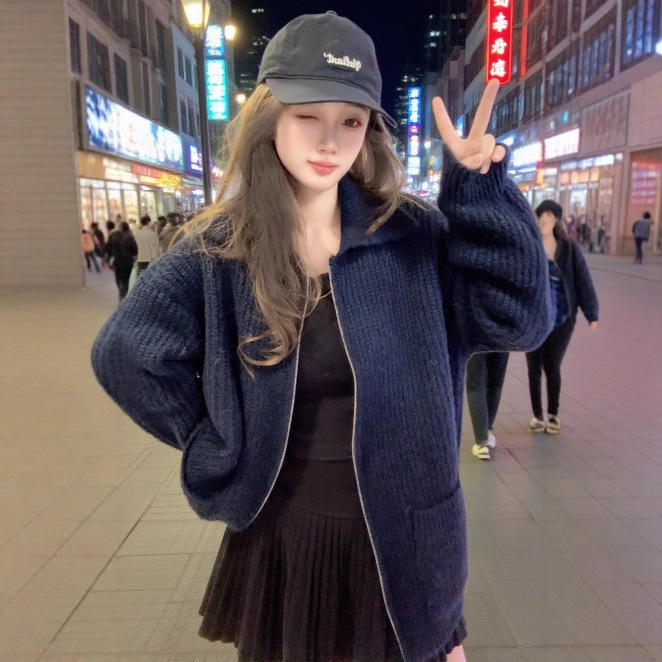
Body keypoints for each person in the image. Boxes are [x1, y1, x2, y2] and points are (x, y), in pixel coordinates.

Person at [92, 12, 552, 662]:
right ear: (270, 116)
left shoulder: (411, 235)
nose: (330, 140)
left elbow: (520, 320)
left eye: (351, 121)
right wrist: (215, 440)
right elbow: (125, 353)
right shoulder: (224, 248)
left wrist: (481, 190)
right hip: (287, 538)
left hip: (408, 542)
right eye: (308, 114)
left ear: (370, 131)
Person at [526, 200, 599, 435]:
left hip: (562, 318)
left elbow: (583, 279)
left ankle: (553, 414)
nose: (544, 219)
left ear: (556, 219)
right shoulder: (531, 245)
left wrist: (591, 313)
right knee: (534, 368)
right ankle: (538, 416)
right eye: (541, 215)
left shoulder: (569, 248)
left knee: (552, 365)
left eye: (549, 215)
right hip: (535, 320)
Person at [465, 352, 509, 460]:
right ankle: (487, 433)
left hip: (476, 344)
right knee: (495, 385)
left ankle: (481, 443)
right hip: (502, 343)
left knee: (476, 386)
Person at [105, 221, 137, 301]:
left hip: (118, 262)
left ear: (120, 228)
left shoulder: (114, 236)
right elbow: (135, 250)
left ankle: (121, 291)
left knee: (119, 278)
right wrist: (133, 257)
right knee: (126, 279)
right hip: (128, 262)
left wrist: (109, 258)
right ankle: (124, 293)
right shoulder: (130, 236)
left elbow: (108, 247)